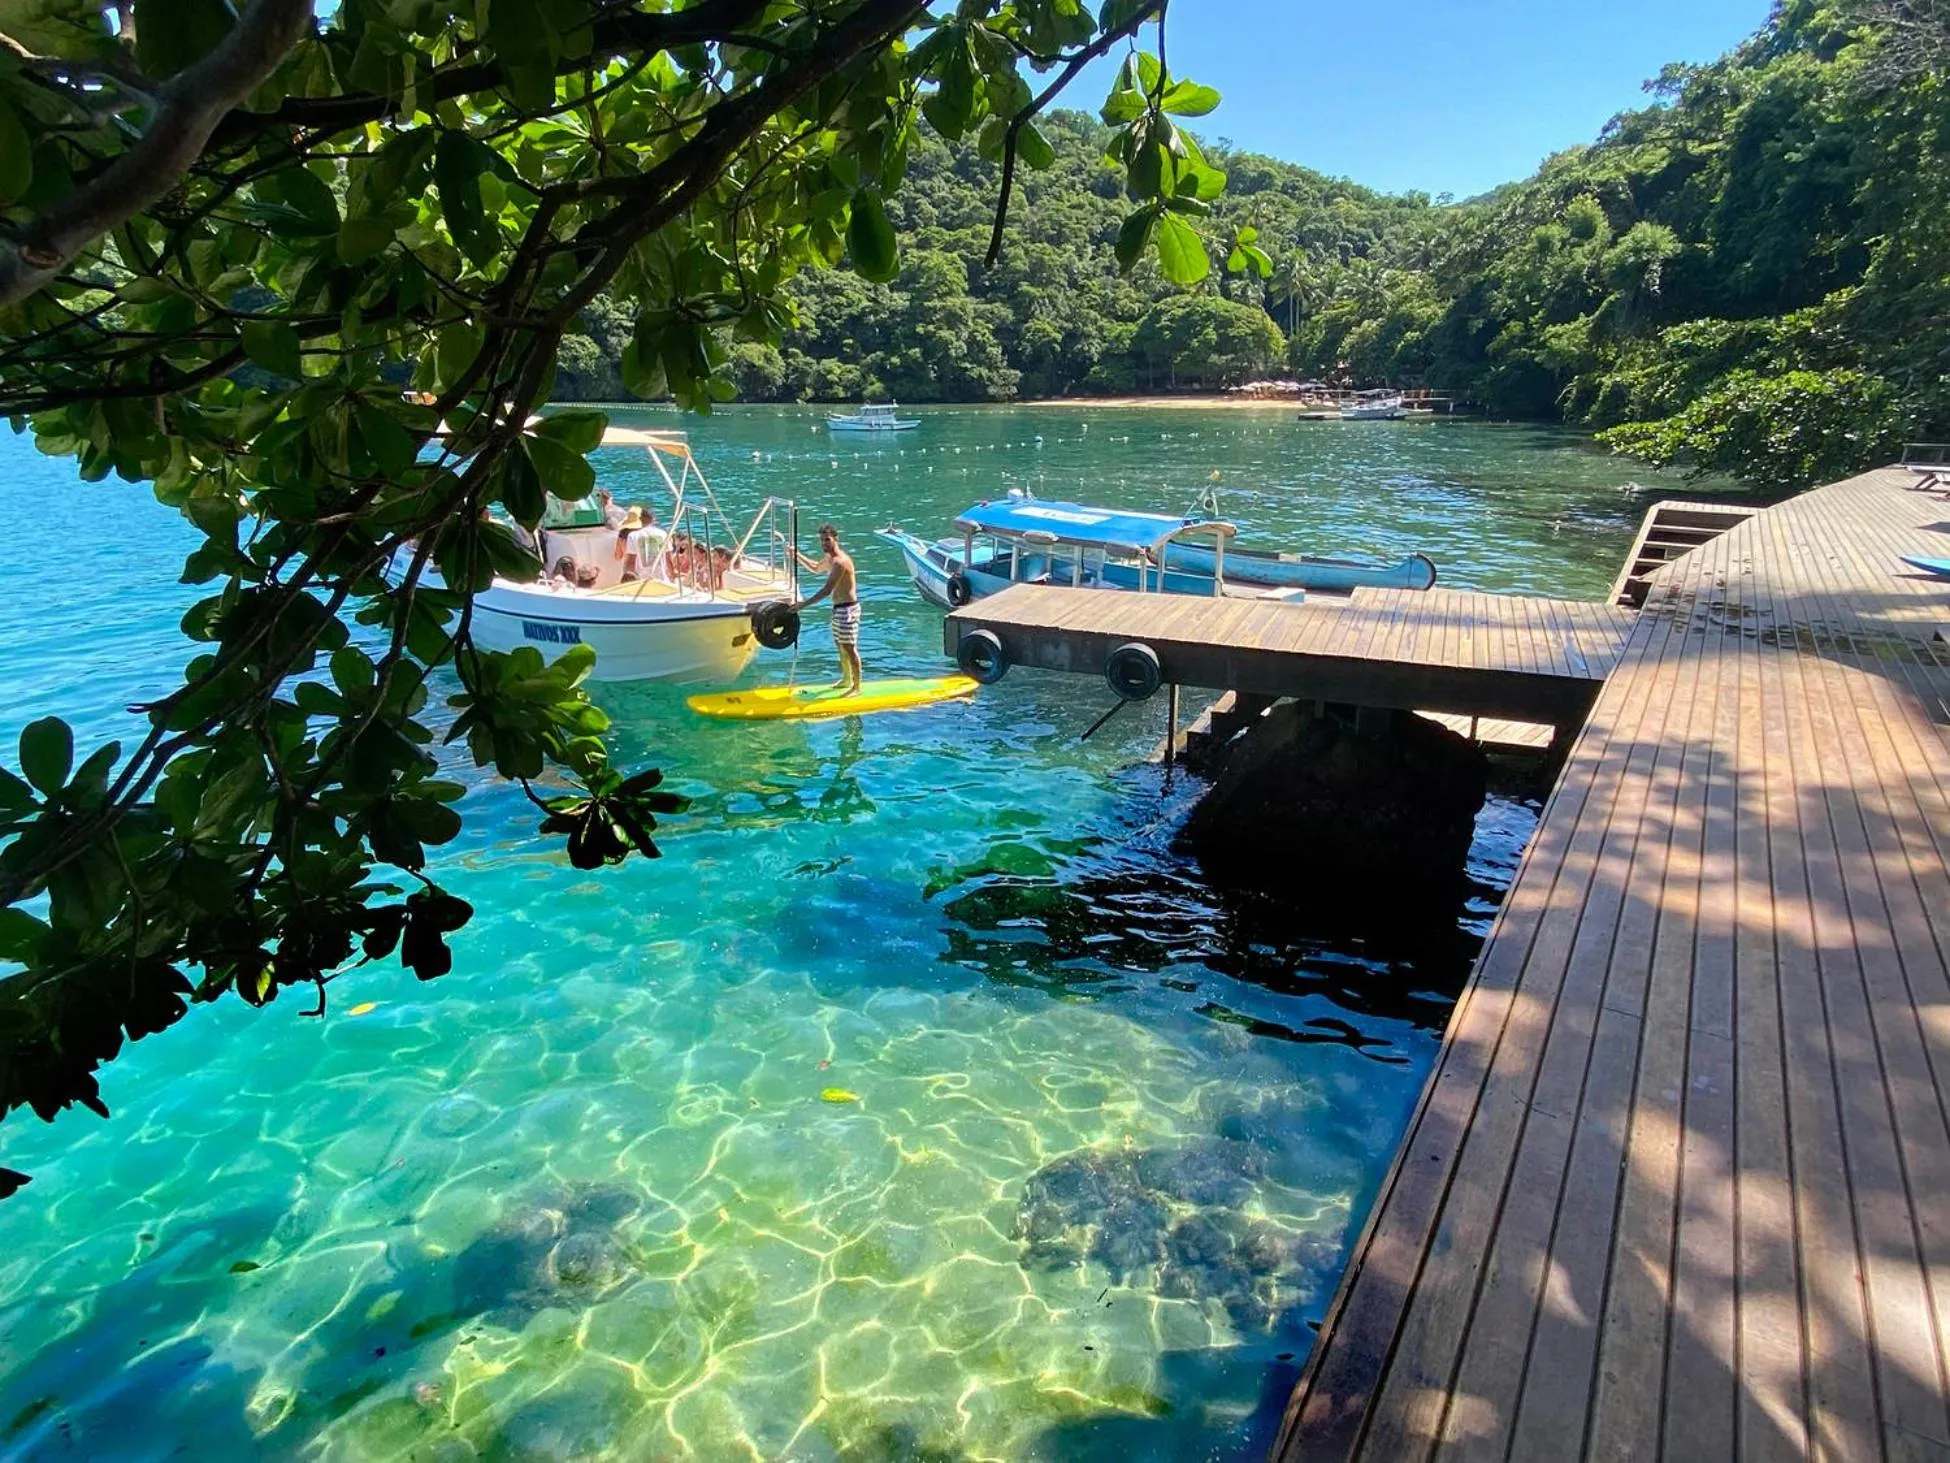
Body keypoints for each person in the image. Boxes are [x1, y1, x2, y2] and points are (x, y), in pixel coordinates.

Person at [793, 523, 861, 694]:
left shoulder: (840, 562)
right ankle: (846, 679)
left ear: (835, 539)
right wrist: (796, 555)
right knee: (840, 645)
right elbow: (816, 568)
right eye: (822, 541)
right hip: (837, 608)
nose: (824, 544)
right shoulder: (829, 559)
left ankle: (857, 687)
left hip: (848, 609)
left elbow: (827, 590)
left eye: (827, 540)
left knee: (850, 648)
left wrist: (802, 605)